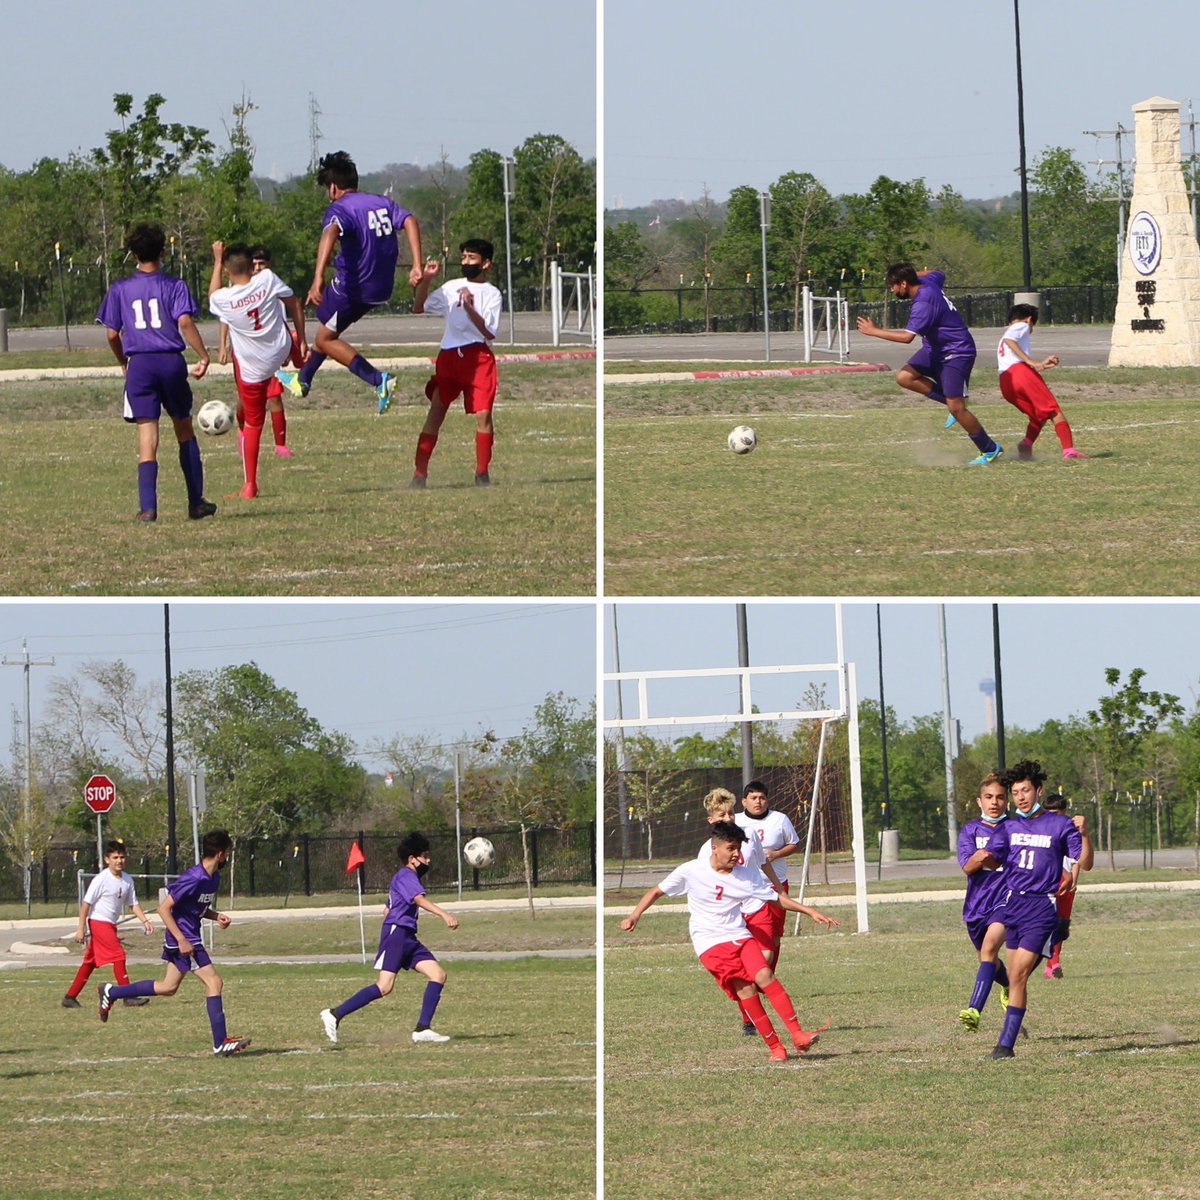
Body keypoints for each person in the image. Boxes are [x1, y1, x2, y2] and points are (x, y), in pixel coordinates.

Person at [620, 821, 836, 1062]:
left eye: (739, 849)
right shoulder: (691, 870)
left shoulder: (746, 876)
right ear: (715, 848)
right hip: (710, 943)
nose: (736, 854)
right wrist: (635, 914)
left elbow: (775, 899)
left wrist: (809, 911)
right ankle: (776, 1048)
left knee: (765, 975)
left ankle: (798, 1035)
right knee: (746, 989)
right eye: (731, 849)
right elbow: (656, 891)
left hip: (739, 935)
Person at [276, 151, 422, 410]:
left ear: (333, 187)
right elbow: (410, 220)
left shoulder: (340, 208)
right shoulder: (382, 202)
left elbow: (329, 234)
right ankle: (303, 381)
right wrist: (416, 265)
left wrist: (318, 277)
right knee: (328, 332)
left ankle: (379, 380)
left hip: (354, 286)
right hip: (383, 287)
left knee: (324, 340)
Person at [96, 222, 217, 521]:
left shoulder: (120, 289)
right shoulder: (174, 286)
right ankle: (195, 503)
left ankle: (148, 508)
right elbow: (185, 323)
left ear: (133, 254)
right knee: (184, 429)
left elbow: (112, 334)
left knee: (147, 435)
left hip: (140, 365)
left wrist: (124, 362)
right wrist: (203, 355)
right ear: (163, 252)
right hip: (170, 362)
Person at [97, 830, 250, 1056]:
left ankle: (112, 992)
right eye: (227, 853)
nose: (227, 857)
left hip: (189, 936)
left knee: (168, 987)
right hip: (185, 939)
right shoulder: (194, 877)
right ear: (220, 854)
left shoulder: (213, 877)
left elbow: (194, 907)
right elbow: (164, 908)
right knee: (214, 982)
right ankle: (220, 1043)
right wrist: (180, 939)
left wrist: (216, 916)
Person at [698, 789, 830, 1038]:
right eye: (721, 815)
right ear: (712, 820)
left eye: (730, 813)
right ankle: (749, 1017)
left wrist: (778, 888)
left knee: (766, 956)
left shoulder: (748, 835)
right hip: (732, 916)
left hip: (757, 903)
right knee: (746, 977)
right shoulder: (708, 851)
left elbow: (762, 862)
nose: (727, 818)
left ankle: (763, 1008)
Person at [978, 761, 1083, 1059]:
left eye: (1025, 790)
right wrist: (983, 858)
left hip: (1042, 907)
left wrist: (1074, 870)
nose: (1020, 797)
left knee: (1019, 974)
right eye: (1015, 792)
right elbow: (995, 860)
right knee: (1013, 977)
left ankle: (1004, 1046)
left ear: (1039, 791)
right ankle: (1007, 1043)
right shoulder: (1009, 826)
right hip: (1014, 905)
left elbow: (1082, 860)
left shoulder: (1059, 825)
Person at [320, 832, 459, 1046]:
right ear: (413, 858)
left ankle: (422, 1029)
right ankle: (334, 1014)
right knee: (384, 987)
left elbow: (387, 909)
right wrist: (444, 914)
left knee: (438, 975)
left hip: (407, 936)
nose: (428, 860)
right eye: (425, 855)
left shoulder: (403, 878)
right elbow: (417, 899)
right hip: (398, 934)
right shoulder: (406, 875)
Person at [856, 264, 1003, 466]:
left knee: (957, 409)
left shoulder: (923, 302)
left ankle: (989, 448)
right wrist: (910, 273)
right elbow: (938, 273)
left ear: (904, 283)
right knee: (905, 377)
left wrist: (874, 331)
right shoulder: (927, 281)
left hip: (956, 351)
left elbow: (907, 338)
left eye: (893, 285)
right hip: (935, 349)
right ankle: (953, 401)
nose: (891, 290)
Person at [209, 242, 309, 499]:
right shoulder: (266, 278)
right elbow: (294, 303)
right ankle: (298, 358)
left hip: (254, 367)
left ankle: (250, 486)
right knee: (286, 333)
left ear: (229, 272)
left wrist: (217, 261)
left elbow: (213, 293)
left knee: (254, 424)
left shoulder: (224, 298)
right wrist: (303, 341)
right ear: (252, 266)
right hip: (280, 348)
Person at [408, 240, 504, 488]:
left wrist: (470, 307)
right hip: (450, 356)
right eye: (463, 257)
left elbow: (489, 332)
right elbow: (419, 308)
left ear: (486, 264)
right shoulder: (452, 287)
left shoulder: (492, 294)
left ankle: (482, 473)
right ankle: (419, 475)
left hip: (478, 358)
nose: (465, 262)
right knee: (436, 412)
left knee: (483, 415)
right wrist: (427, 280)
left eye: (471, 258)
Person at [62, 839, 154, 1009]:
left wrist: (145, 920)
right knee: (119, 956)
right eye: (115, 857)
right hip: (99, 922)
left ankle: (70, 997)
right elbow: (86, 905)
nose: (119, 861)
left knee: (89, 963)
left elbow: (133, 903)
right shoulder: (101, 879)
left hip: (110, 924)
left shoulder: (127, 880)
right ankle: (128, 996)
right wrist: (80, 928)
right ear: (107, 859)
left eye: (122, 857)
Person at [956, 773, 1013, 1033]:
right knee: (988, 960)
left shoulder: (1016, 829)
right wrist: (979, 857)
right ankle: (1010, 984)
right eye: (989, 797)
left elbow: (998, 862)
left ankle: (974, 1010)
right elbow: (968, 868)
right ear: (979, 801)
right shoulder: (969, 830)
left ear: (1007, 801)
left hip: (1007, 901)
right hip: (976, 905)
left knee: (990, 949)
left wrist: (987, 858)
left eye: (1000, 797)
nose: (995, 802)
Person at [997, 304, 1087, 462]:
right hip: (1020, 372)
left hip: (1006, 381)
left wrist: (1040, 365)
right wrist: (1031, 362)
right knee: (1054, 410)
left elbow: (1011, 359)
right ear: (1030, 319)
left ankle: (1026, 444)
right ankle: (1069, 451)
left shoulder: (1007, 333)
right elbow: (1010, 341)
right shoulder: (1022, 325)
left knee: (1039, 415)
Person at [1040, 792, 1094, 979]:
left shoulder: (1071, 831)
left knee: (1061, 925)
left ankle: (1052, 965)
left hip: (1066, 881)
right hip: (1046, 880)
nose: (1053, 817)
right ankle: (1052, 962)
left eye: (1056, 813)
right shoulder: (1041, 828)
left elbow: (1077, 860)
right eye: (1049, 813)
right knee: (1045, 923)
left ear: (1064, 812)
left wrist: (1074, 880)